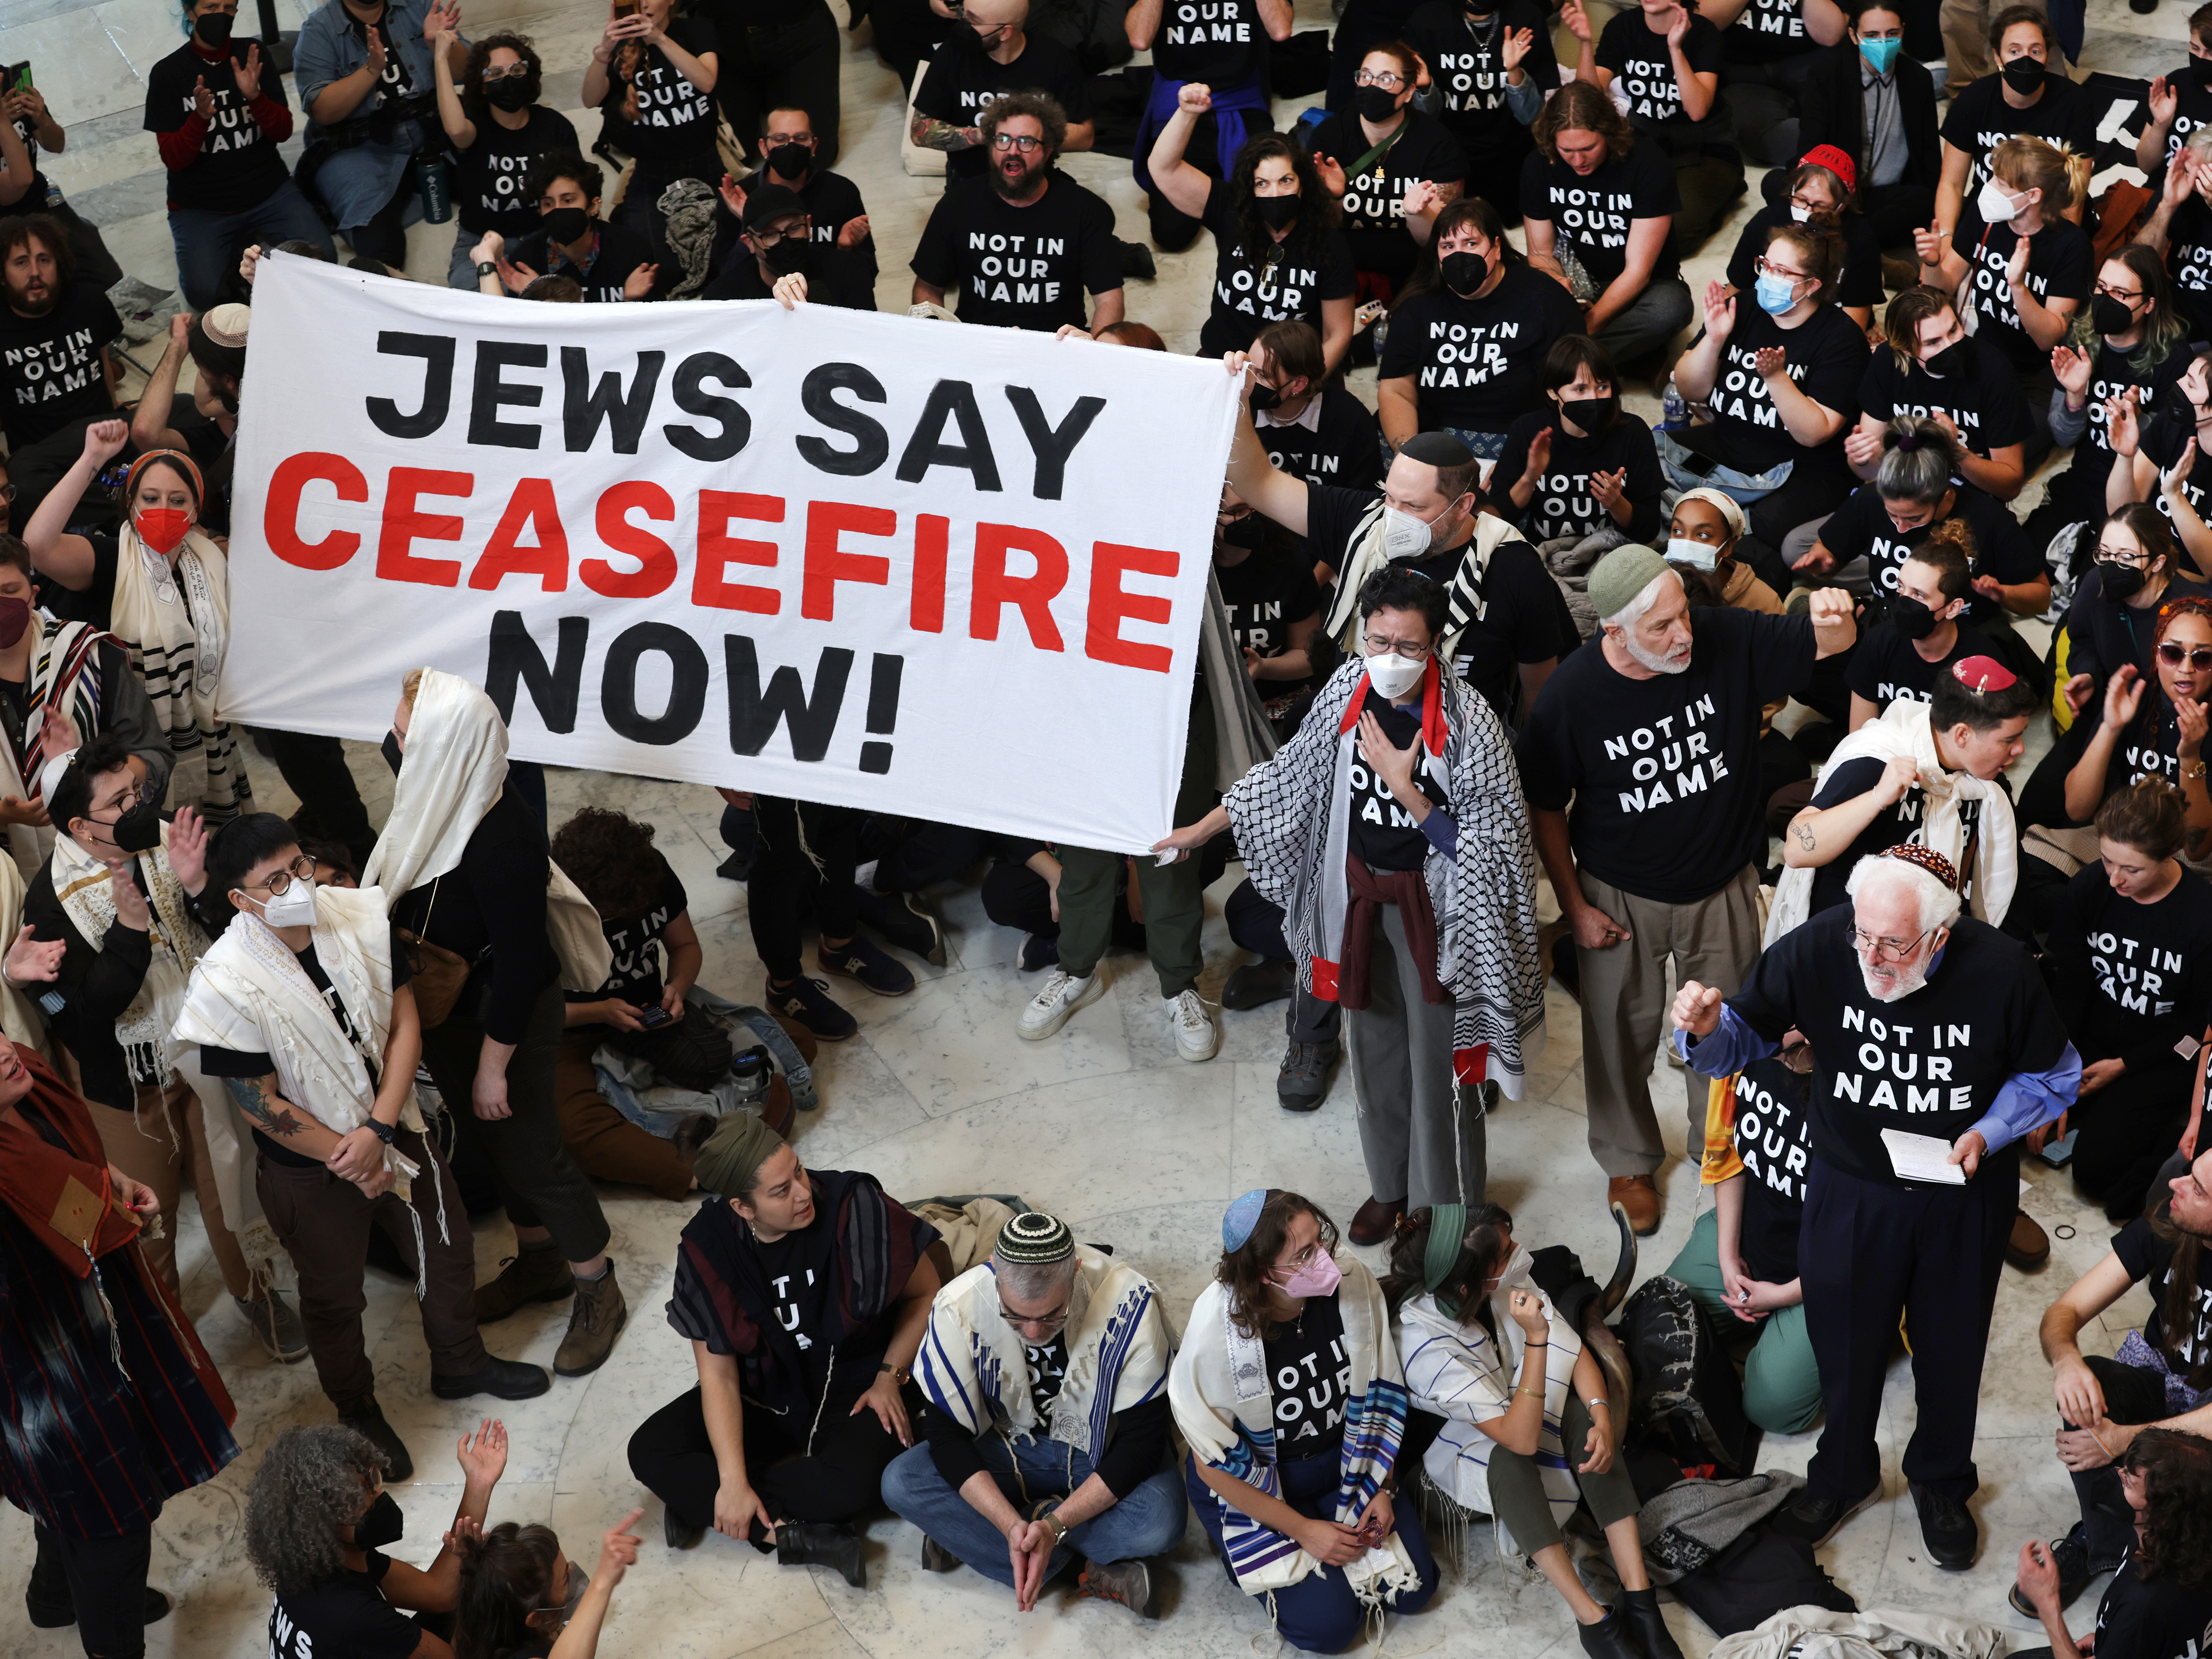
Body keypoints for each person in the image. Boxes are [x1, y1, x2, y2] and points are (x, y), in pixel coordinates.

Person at [1671, 844, 2078, 1570]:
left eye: (1892, 944)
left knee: (1950, 1350)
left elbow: (2054, 1074)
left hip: (1960, 1191)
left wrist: (1987, 1131)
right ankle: (1842, 1473)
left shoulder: (2002, 970)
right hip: (1851, 1182)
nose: (1870, 956)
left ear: (1940, 934)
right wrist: (1703, 1031)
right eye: (1863, 935)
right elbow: (1743, 1039)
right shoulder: (1824, 944)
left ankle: (1940, 1480)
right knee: (1844, 1338)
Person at [1157, 565, 1546, 1243]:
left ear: (1438, 645)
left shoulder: (1468, 721)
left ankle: (1444, 1213)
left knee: (1444, 1063)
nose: (1390, 659)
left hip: (1440, 914)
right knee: (1372, 1048)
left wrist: (1411, 793)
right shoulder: (1348, 687)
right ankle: (1389, 1187)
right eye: (1378, 640)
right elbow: (1289, 775)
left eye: (1409, 646)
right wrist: (1201, 829)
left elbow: (1497, 848)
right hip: (1362, 899)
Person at [179, 810, 550, 1474]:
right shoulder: (225, 980)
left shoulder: (355, 916)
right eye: (274, 881)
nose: (297, 885)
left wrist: (379, 1128)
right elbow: (255, 1098)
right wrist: (349, 1156)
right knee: (333, 1295)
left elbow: (405, 1024)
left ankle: (460, 1362)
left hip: (393, 1125)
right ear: (240, 899)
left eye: (299, 868)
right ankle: (357, 1409)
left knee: (447, 1245)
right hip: (311, 1168)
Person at [1520, 545, 1857, 1231]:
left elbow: (1830, 646)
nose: (1682, 636)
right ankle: (1627, 1159)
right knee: (1618, 1034)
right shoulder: (1571, 694)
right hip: (1618, 893)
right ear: (1613, 631)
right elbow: (1546, 806)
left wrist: (1833, 619)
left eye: (1682, 616)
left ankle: (1726, 1149)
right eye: (1660, 628)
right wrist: (1575, 906)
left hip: (1723, 884)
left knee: (1730, 1029)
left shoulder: (1722, 637)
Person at [364, 668, 626, 1381]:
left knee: (535, 1151)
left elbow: (524, 964)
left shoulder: (497, 832)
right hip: (454, 1007)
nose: (392, 743)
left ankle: (597, 1285)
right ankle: (540, 1259)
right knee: (494, 1142)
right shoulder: (438, 792)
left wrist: (491, 1066)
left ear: (446, 747)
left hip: (502, 1017)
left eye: (405, 736)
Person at [20, 737, 286, 1341]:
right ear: (83, 827)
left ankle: (257, 1293)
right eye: (121, 800)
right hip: (130, 1086)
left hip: (208, 1047)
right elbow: (84, 1017)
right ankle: (170, 1336)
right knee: (150, 1214)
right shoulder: (49, 905)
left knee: (231, 1180)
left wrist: (197, 888)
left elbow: (237, 932)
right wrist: (130, 932)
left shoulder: (171, 842)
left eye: (139, 789)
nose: (141, 804)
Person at [0, 1029, 240, 1659]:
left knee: (86, 1494)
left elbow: (61, 1175)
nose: (5, 1048)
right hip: (37, 1371)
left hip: (88, 1328)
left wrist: (110, 1185)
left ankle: (56, 1595)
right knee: (113, 1524)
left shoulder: (22, 1090)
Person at [626, 1119, 940, 1585]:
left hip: (856, 1382)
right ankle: (781, 1531)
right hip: (768, 1391)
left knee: (853, 1484)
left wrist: (889, 1376)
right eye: (780, 1191)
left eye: (798, 1171)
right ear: (742, 1207)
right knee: (649, 1450)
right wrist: (731, 1481)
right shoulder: (709, 1246)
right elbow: (719, 1376)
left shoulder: (854, 1208)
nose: (802, 1192)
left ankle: (705, 1501)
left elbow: (927, 1294)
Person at [1390, 1204, 1684, 1658]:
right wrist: (1535, 1339)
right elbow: (1520, 1438)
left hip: (1511, 1410)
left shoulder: (1491, 1277)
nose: (1519, 1253)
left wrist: (1602, 1415)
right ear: (1471, 1285)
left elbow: (1571, 1345)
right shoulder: (1423, 1346)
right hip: (1447, 1466)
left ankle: (1640, 1600)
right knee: (1509, 1457)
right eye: (1506, 1253)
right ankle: (1592, 1618)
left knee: (1584, 1419)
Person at [1170, 1190, 1440, 1653]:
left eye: (1322, 1240)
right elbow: (1210, 1464)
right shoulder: (1216, 1335)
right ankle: (1243, 1548)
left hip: (1348, 1458)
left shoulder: (1351, 1283)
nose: (1328, 1261)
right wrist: (1302, 1529)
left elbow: (1381, 1393)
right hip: (1260, 1478)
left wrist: (1384, 1485)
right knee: (1330, 1629)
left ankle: (1330, 1530)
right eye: (1305, 1255)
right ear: (1263, 1275)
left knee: (1415, 1589)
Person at [884, 1209, 1184, 1616]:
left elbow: (1142, 1441)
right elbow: (945, 1434)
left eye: (1051, 1315)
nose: (1033, 1332)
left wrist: (1054, 1525)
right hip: (1005, 1446)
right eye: (1016, 1316)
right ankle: (1077, 1566)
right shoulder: (958, 1305)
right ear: (994, 1273)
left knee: (1161, 1520)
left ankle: (973, 1534)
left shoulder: (1129, 1299)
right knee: (902, 1482)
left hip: (1098, 1453)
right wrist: (1011, 1525)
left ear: (1076, 1271)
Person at [1225, 392, 1567, 724]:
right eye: (1390, 498)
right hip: (1356, 723)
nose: (1394, 517)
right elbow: (1260, 483)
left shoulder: (1514, 566)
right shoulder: (1362, 522)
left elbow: (1539, 690)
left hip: (1458, 742)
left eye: (1414, 507)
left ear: (1463, 506)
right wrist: (1238, 398)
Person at [25, 425, 254, 825]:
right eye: (150, 498)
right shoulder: (111, 560)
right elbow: (39, 546)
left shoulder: (211, 564)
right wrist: (91, 459)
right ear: (130, 504)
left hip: (210, 734)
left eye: (177, 499)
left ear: (196, 510)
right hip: (132, 745)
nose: (163, 508)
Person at [2032, 1148, 2212, 1615]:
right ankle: (2107, 1542)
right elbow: (2064, 1312)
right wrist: (2067, 1360)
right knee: (2089, 1391)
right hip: (2167, 1382)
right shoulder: (2174, 1223)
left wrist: (2123, 1440)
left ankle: (2167, 1551)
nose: (2175, 1184)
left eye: (2197, 1188)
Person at [2051, 781, 2212, 1223]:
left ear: (2168, 856)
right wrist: (2056, 1074)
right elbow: (2071, 986)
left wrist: (2125, 1065)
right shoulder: (2091, 887)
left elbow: (2198, 1025)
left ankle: (2162, 1136)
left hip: (2161, 1054)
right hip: (2090, 1041)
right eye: (2107, 861)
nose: (2115, 879)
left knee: (2096, 1173)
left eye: (2133, 870)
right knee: (2016, 1117)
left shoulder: (2202, 915)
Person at [1664, 223, 1869, 561]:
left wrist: (1777, 378)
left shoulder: (1842, 339)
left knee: (1767, 527)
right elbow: (1689, 389)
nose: (1766, 276)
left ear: (1812, 284)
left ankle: (1710, 527)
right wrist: (1714, 340)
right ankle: (1713, 520)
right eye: (1765, 265)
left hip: (1802, 471)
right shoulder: (1742, 306)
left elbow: (1815, 434)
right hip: (1731, 453)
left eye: (1781, 271)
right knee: (1654, 456)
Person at [1777, 653, 2033, 923]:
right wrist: (1877, 798)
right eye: (2009, 739)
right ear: (1962, 734)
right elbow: (1795, 851)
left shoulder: (1985, 783)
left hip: (1924, 928)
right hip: (1850, 928)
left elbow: (1960, 869)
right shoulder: (1875, 765)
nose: (2021, 749)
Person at [245, 1419, 509, 1659]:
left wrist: (479, 1483)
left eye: (372, 1482)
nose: (378, 1496)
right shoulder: (353, 1616)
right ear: (322, 1527)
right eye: (359, 1496)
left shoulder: (318, 1564)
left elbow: (439, 1593)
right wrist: (479, 1597)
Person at [1664, 1045, 1824, 1434]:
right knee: (1664, 1325)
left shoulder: (1861, 1089)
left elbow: (1866, 1237)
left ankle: (1864, 1331)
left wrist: (1786, 1296)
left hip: (1830, 1273)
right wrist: (1727, 1256)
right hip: (1753, 1233)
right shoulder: (1747, 1041)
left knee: (1771, 1408)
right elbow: (1729, 1154)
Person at [1917, 132, 2092, 471]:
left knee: (1985, 454)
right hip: (1985, 358)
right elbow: (1943, 286)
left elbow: (2048, 337)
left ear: (2034, 195)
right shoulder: (1986, 219)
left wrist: (2018, 286)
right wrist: (1932, 262)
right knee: (1934, 438)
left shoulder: (2071, 246)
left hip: (2037, 379)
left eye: (2001, 182)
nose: (1990, 187)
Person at [144, 0, 331, 308]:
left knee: (324, 259)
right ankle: (245, 249)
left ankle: (251, 244)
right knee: (205, 295)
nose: (221, 15)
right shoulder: (168, 74)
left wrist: (255, 97)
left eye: (229, 7)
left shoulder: (253, 55)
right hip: (200, 207)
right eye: (211, 6)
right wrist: (199, 118)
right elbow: (174, 160)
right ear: (190, 12)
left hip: (268, 191)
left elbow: (282, 131)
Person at [0, 532, 169, 871]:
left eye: (9, 591)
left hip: (112, 858)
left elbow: (154, 755)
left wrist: (84, 775)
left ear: (33, 595)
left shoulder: (91, 654)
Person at [1146, 102, 1357, 373]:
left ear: (1303, 184)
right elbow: (1164, 167)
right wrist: (1187, 112)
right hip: (1224, 357)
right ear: (1250, 187)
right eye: (1262, 184)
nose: (1275, 193)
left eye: (1286, 181)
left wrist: (1301, 386)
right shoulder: (1231, 209)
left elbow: (1338, 335)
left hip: (1293, 369)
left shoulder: (1330, 245)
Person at [1377, 198, 1585, 460]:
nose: (1459, 255)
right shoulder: (1416, 306)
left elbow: (1570, 389)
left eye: (1471, 243)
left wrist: (1521, 460)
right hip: (1432, 434)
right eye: (1448, 246)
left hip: (1517, 434)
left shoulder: (1546, 299)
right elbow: (1396, 391)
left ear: (1497, 248)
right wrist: (1413, 458)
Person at [1795, 416, 2048, 627]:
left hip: (1965, 634)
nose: (1901, 528)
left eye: (1915, 518)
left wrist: (2003, 593)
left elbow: (2041, 597)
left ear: (1946, 498)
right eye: (1892, 515)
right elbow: (1828, 553)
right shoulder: (1869, 501)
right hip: (1889, 625)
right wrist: (1825, 562)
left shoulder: (1989, 518)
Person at [910, 93, 1122, 335]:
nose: (1013, 151)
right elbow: (928, 288)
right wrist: (943, 340)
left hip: (1057, 344)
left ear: (1048, 150)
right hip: (979, 343)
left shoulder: (1085, 210)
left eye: (1026, 142)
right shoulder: (957, 203)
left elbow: (1109, 299)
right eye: (1003, 140)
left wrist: (1093, 351)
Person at [1520, 81, 1692, 366]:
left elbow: (1638, 272)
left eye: (1588, 148)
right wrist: (1556, 282)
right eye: (1567, 151)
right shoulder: (1538, 165)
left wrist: (1581, 330)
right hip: (1576, 277)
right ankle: (1634, 360)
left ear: (1609, 134)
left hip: (1640, 285)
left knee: (1669, 309)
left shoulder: (1648, 163)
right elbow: (1539, 254)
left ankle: (1566, 364)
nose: (1578, 161)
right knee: (1511, 295)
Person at [2036, 249, 2192, 551]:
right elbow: (2063, 437)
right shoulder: (2081, 337)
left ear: (2149, 305)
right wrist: (2075, 396)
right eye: (2101, 288)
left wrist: (2139, 421)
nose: (2106, 300)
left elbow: (2170, 452)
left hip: (2136, 492)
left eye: (2120, 293)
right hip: (2083, 478)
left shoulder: (2175, 358)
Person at [294, 0, 466, 268]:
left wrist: (439, 47)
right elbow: (323, 111)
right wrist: (372, 69)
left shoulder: (418, 6)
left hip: (431, 129)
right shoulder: (319, 29)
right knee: (379, 244)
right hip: (360, 149)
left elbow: (469, 71)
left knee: (493, 189)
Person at [2013, 1429, 2212, 1659]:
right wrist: (2115, 1645)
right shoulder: (2186, 1537)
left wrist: (2047, 1604)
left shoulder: (2143, 1606)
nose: (2117, 1475)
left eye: (2128, 1481)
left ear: (2162, 1514)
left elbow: (2146, 1622)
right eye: (2124, 1468)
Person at [1569, 0, 1742, 252]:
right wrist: (1586, 44)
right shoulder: (1624, 26)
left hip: (1704, 147)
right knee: (1603, 218)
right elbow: (1588, 100)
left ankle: (1725, 191)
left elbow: (1697, 110)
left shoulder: (1704, 32)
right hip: (1644, 139)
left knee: (1668, 237)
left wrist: (1675, 49)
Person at [1306, 42, 1468, 297]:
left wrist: (1417, 213)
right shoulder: (1331, 135)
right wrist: (1335, 197)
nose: (1372, 86)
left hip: (1416, 275)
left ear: (1409, 91)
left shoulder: (1436, 141)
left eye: (1386, 79)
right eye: (1366, 76)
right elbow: (1317, 228)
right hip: (1342, 271)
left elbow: (1437, 239)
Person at [431, 29, 578, 291]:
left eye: (517, 70)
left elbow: (577, 193)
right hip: (480, 243)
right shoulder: (474, 125)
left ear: (528, 74)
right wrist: (440, 58)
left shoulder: (555, 126)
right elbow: (455, 130)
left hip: (544, 239)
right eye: (496, 74)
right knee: (479, 309)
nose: (508, 79)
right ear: (483, 85)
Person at [1851, 286, 2028, 502]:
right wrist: (1860, 459)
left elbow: (2010, 486)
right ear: (1907, 350)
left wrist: (1955, 452)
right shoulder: (1888, 361)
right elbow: (1869, 472)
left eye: (1954, 330)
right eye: (1934, 342)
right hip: (1904, 493)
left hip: (1968, 498)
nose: (1951, 346)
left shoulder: (1993, 370)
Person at [0, 214, 120, 533]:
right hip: (44, 457)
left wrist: (115, 411)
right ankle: (120, 504)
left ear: (59, 263)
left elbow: (103, 362)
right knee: (22, 489)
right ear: (2, 275)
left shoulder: (89, 302)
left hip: (104, 435)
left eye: (44, 260)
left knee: (176, 415)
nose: (35, 272)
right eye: (21, 263)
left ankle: (111, 506)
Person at [2061, 597, 2212, 848]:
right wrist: (2110, 728)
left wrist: (2190, 760)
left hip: (2180, 857)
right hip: (2117, 840)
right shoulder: (2134, 698)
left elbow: (2196, 850)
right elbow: (2076, 809)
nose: (2186, 669)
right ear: (2156, 653)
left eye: (2203, 658)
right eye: (2173, 653)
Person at [1497, 333, 1666, 556]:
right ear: (1553, 391)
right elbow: (1497, 519)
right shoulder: (1528, 431)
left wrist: (1617, 504)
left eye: (1602, 387)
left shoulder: (1633, 433)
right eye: (1580, 389)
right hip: (1543, 553)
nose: (1594, 398)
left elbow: (1649, 531)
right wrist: (1530, 478)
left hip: (1611, 555)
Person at [1935, 6, 2098, 234]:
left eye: (2035, 51)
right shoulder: (1974, 99)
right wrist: (1946, 238)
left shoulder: (2074, 103)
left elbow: (2073, 198)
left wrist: (2059, 253)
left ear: (2048, 57)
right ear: (1997, 56)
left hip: (2049, 218)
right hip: (1990, 212)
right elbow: (1951, 185)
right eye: (2014, 51)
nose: (2025, 60)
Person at [581, 0, 719, 269]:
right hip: (652, 171)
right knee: (654, 264)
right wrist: (605, 50)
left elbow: (707, 81)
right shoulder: (624, 47)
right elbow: (589, 99)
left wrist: (658, 39)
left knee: (713, 258)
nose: (644, 3)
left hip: (704, 162)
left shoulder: (696, 29)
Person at [1794, 2, 1940, 250]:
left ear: (1903, 31)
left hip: (1886, 194)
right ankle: (1860, 245)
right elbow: (1811, 145)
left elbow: (1928, 154)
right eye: (1872, 35)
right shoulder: (1827, 73)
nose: (1883, 42)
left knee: (1924, 200)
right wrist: (1826, 200)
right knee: (1776, 184)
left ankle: (1839, 243)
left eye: (1892, 34)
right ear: (1853, 35)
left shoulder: (1918, 78)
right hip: (1833, 194)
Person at [1403, 0, 1556, 228]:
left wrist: (1514, 71)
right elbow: (1424, 117)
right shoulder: (1428, 19)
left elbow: (1530, 117)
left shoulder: (1526, 17)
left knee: (1508, 224)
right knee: (1445, 227)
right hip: (1449, 151)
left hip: (1510, 150)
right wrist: (1425, 89)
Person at [910, 0, 1094, 186]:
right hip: (970, 180)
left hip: (1035, 181)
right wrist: (985, 135)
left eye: (974, 22)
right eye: (963, 15)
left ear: (1005, 33)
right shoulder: (952, 54)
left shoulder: (1055, 58)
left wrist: (1025, 138)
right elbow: (920, 131)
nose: (964, 26)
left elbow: (1085, 137)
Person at [2061, 509, 2209, 732]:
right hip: (2113, 710)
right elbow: (2083, 640)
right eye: (2104, 553)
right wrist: (2088, 673)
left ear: (2158, 563)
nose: (2111, 567)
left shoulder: (2193, 613)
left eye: (2126, 557)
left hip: (2174, 724)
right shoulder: (2096, 584)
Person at [1843, 533, 1995, 726]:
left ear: (1952, 608)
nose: (1903, 602)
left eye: (1919, 595)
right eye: (1900, 587)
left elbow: (1978, 746)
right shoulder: (1878, 641)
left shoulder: (1981, 663)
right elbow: (1859, 737)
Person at [453, 1507, 643, 1659]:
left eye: (568, 1566)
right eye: (567, 1579)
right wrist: (603, 1582)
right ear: (536, 1619)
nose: (574, 1572)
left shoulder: (481, 1623)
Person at [1725, 148, 1882, 333]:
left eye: (1821, 206)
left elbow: (1854, 328)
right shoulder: (1766, 221)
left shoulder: (1860, 240)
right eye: (1801, 199)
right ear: (1792, 188)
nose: (1807, 211)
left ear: (1843, 204)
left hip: (1826, 325)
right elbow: (1736, 288)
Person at [719, 105, 872, 289]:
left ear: (814, 145)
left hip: (829, 299)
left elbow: (867, 275)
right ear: (764, 147)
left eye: (801, 139)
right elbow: (724, 282)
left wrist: (846, 250)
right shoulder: (738, 197)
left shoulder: (841, 191)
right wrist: (750, 222)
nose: (791, 147)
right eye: (780, 139)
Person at [485, 152, 656, 303]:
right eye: (549, 203)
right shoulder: (526, 259)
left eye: (568, 201)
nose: (558, 210)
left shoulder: (632, 249)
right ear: (540, 212)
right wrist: (536, 296)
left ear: (594, 206)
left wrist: (631, 302)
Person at [3, 78, 122, 292]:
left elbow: (57, 144)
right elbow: (20, 181)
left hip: (39, 205)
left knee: (107, 279)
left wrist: (42, 119)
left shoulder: (11, 83)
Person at [1249, 321, 1386, 505]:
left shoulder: (1351, 419)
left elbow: (1366, 501)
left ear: (1298, 384)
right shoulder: (1238, 409)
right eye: (1248, 368)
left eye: (1263, 375)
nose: (1249, 381)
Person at [704, 0, 840, 174]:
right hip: (723, 39)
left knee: (811, 155)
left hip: (798, 34)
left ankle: (770, 95)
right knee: (731, 159)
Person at [702, 182, 871, 306]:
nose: (786, 240)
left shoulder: (849, 269)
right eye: (770, 234)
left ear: (809, 225)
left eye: (795, 228)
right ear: (750, 243)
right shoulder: (724, 298)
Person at [2134, 126, 2212, 346]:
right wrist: (2167, 206)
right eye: (2187, 170)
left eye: (2200, 174)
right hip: (2173, 311)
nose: (2189, 179)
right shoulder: (2182, 189)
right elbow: (2138, 261)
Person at [2138, 5, 2212, 186]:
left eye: (2210, 53)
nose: (2200, 58)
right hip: (2161, 193)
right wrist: (2160, 125)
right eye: (2195, 48)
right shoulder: (2177, 83)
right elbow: (2146, 166)